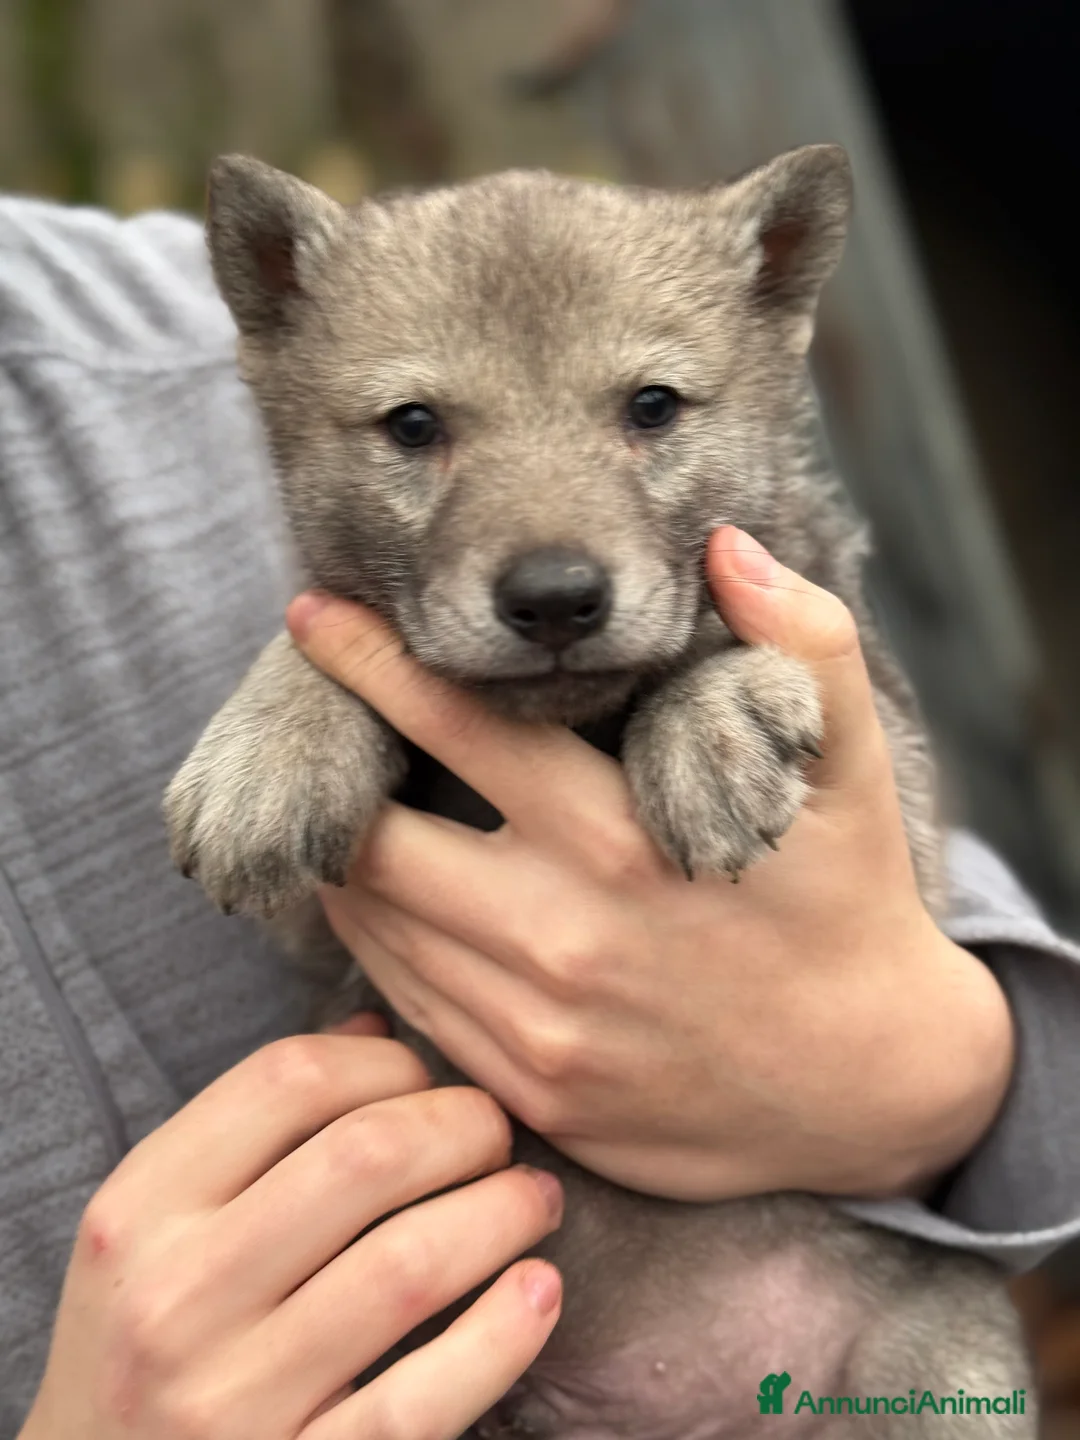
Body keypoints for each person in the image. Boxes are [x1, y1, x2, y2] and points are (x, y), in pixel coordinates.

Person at [2, 189, 1079, 1440]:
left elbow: (905, 878)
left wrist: (938, 1066)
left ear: (776, 294)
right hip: (467, 1383)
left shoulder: (140, 334)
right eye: (418, 428)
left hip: (857, 1358)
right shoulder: (303, 350)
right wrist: (320, 691)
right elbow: (305, 892)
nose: (551, 557)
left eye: (650, 410)